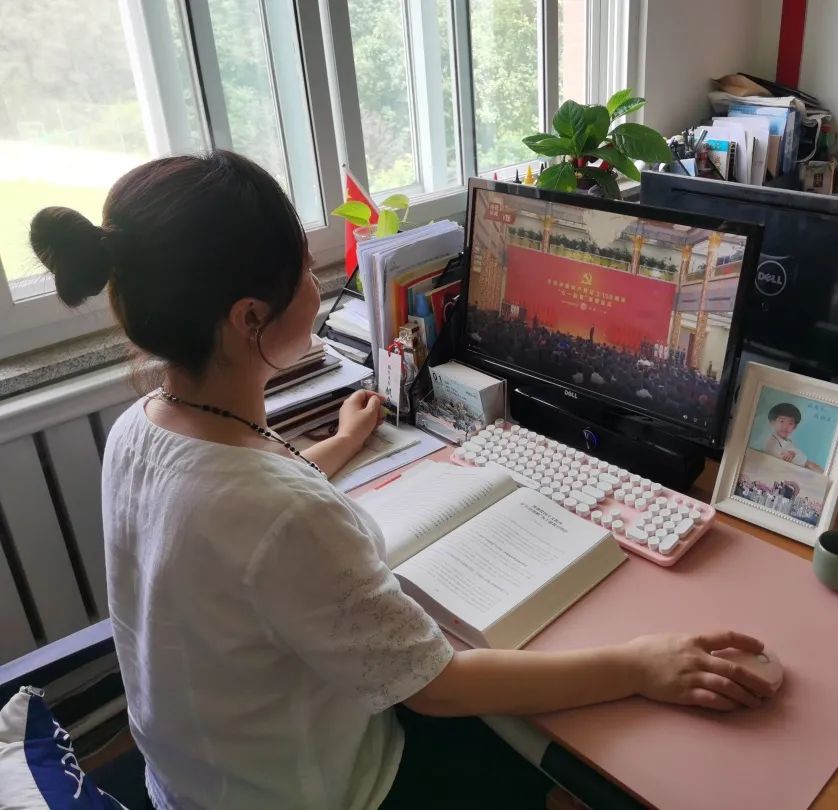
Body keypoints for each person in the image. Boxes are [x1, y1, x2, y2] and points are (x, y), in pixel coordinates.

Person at [30, 151, 775, 810]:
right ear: (249, 316)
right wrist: (637, 664)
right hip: (323, 792)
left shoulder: (141, 428)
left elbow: (238, 514)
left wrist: (342, 443)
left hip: (197, 782)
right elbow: (437, 688)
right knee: (553, 749)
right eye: (306, 270)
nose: (318, 287)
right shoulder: (279, 514)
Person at [763, 402, 824, 473]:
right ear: (772, 422)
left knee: (814, 467)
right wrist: (797, 457)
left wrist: (793, 453)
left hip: (796, 465)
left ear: (795, 427)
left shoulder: (788, 441)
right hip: (779, 470)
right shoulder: (772, 441)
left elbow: (795, 452)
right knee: (811, 466)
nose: (785, 426)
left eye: (790, 423)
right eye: (782, 421)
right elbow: (777, 457)